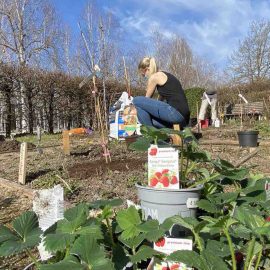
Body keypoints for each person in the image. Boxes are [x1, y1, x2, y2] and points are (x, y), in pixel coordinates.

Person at [133, 57, 190, 129]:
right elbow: (159, 102)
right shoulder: (165, 75)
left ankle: (151, 135)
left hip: (175, 113)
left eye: (144, 74)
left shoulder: (154, 77)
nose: (145, 76)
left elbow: (146, 99)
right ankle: (161, 137)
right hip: (183, 118)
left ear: (147, 69)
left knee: (136, 101)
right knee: (150, 120)